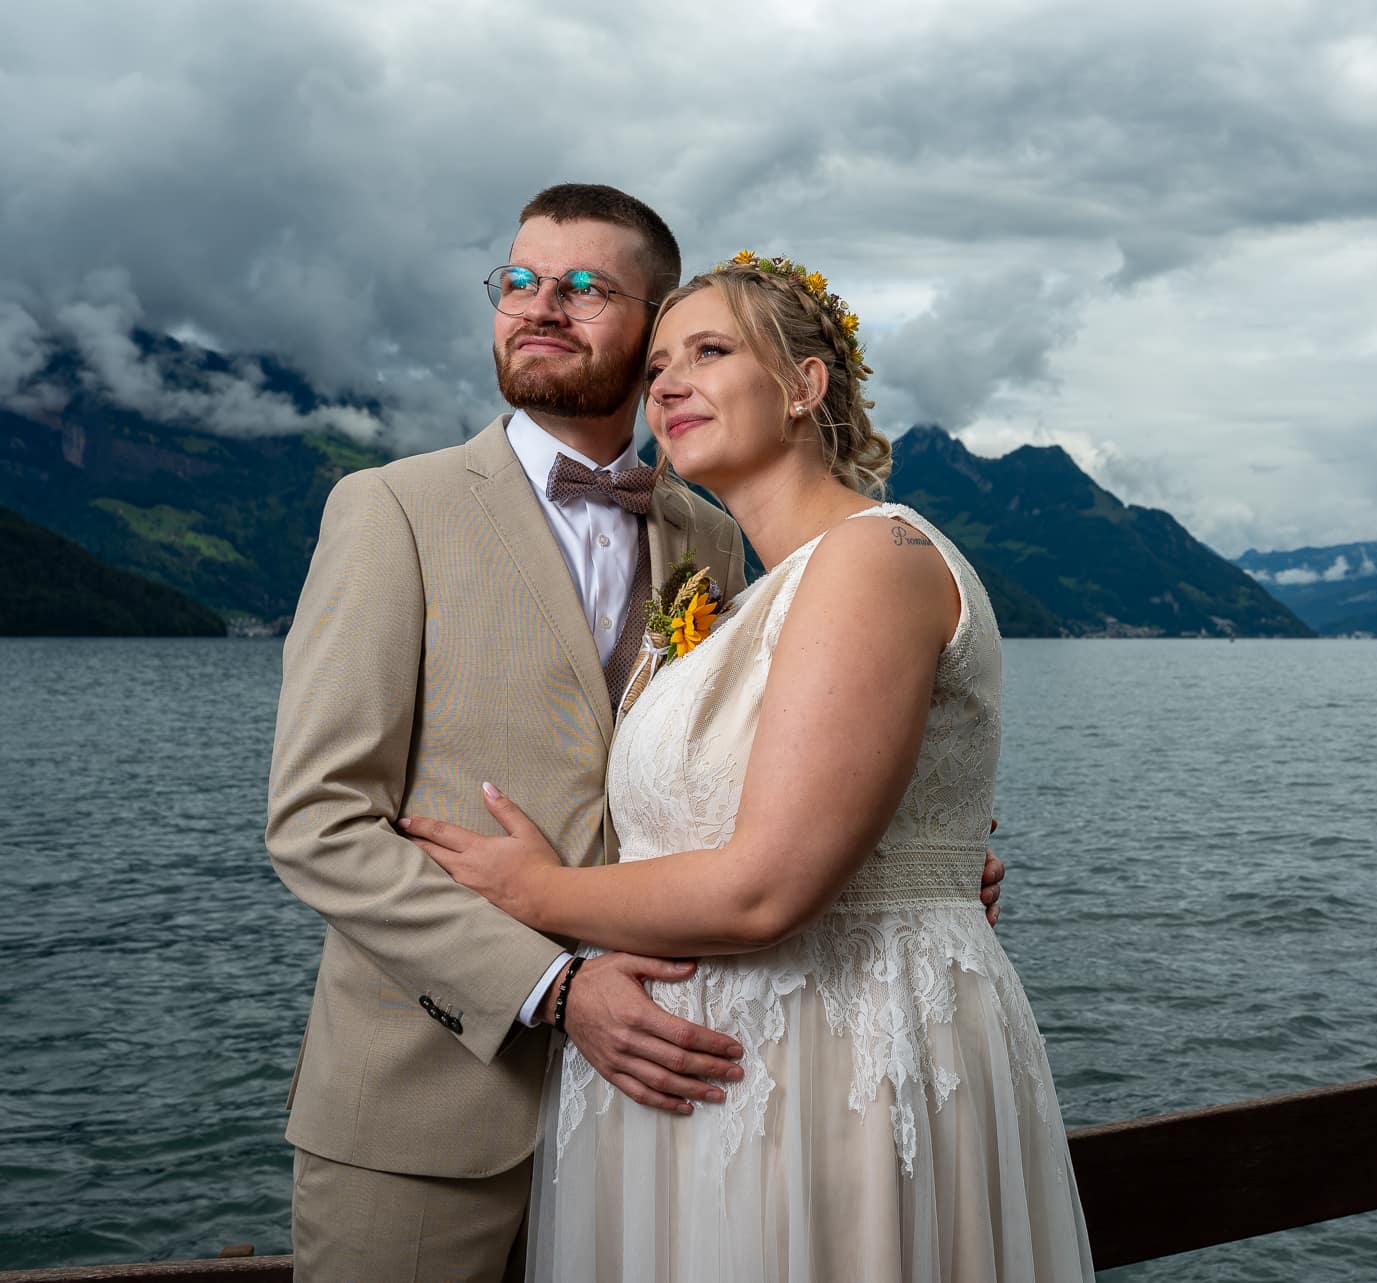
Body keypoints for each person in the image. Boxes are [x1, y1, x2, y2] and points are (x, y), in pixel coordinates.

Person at [265, 187, 1008, 1282]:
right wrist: (552, 986)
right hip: (431, 1106)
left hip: (674, 1096)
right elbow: (316, 821)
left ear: (653, 327)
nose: (540, 307)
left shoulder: (711, 525)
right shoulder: (391, 507)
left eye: (586, 288)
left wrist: (904, 849)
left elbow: (773, 745)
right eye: (517, 280)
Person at [402, 253, 1093, 1281]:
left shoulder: (876, 556)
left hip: (831, 1065)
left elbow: (770, 884)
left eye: (710, 351)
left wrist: (538, 890)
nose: (668, 384)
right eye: (656, 369)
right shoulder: (728, 602)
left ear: (805, 383)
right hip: (690, 1082)